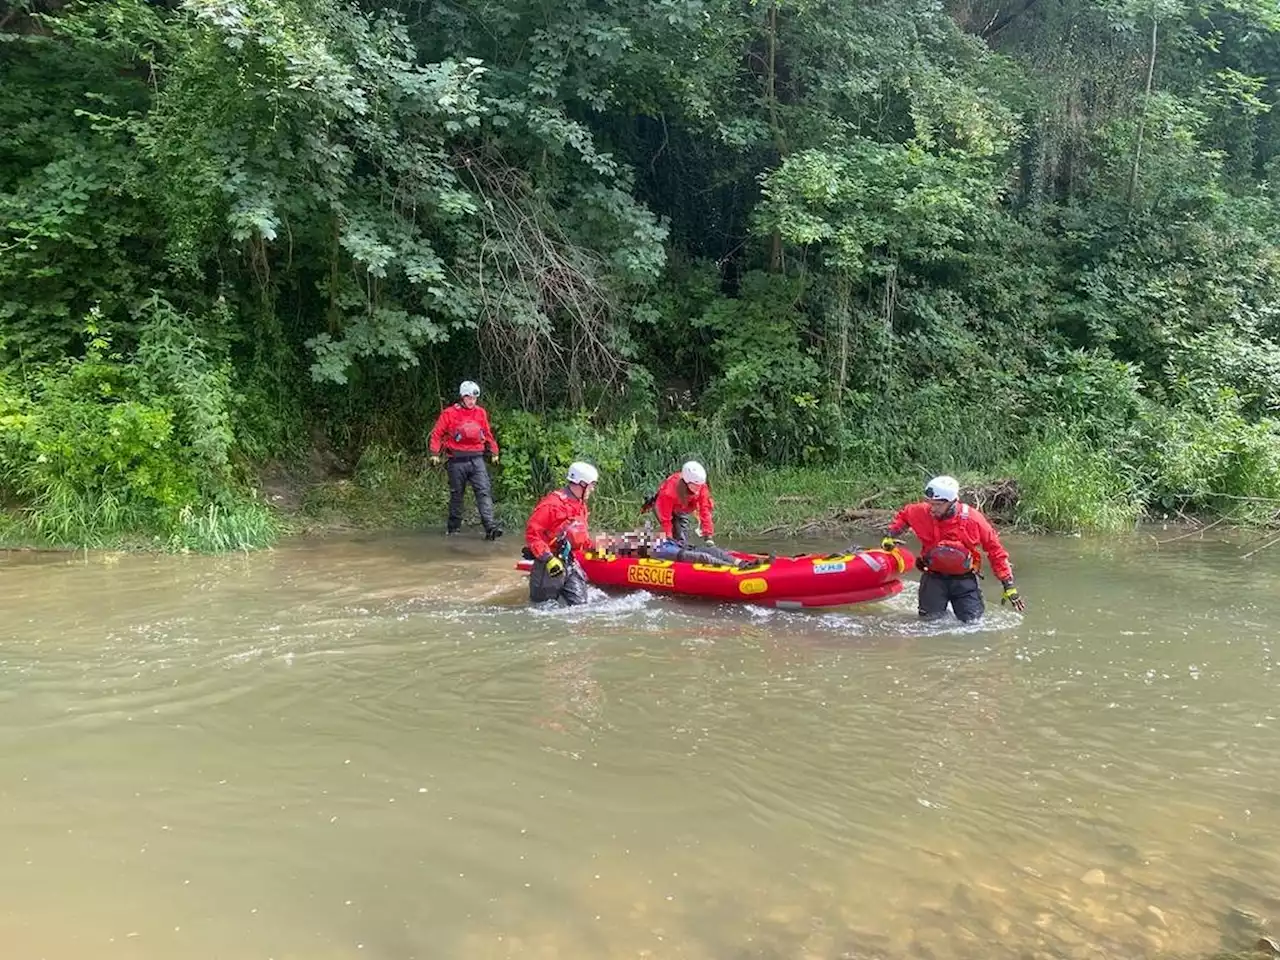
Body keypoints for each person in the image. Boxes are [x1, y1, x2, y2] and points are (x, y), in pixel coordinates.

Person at [882, 475, 1027, 623]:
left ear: (952, 502)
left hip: (964, 582)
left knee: (973, 625)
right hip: (933, 579)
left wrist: (1008, 586)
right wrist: (891, 535)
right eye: (930, 503)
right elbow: (904, 516)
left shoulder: (974, 520)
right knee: (928, 623)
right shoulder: (921, 512)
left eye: (937, 505)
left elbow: (995, 551)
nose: (932, 509)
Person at [429, 380, 502, 540]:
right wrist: (434, 453)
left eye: (474, 398)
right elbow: (437, 434)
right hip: (456, 461)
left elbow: (487, 433)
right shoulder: (449, 413)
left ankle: (490, 527)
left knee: (483, 492)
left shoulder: (480, 413)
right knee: (457, 495)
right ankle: (453, 529)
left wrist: (494, 451)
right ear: (462, 397)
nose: (472, 401)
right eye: (469, 398)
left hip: (477, 459)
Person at [525, 461, 598, 606]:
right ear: (582, 484)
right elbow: (533, 535)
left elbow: (579, 536)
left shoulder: (579, 504)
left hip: (569, 562)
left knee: (581, 607)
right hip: (548, 565)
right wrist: (548, 559)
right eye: (591, 485)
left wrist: (596, 548)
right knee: (542, 608)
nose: (592, 489)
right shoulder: (551, 505)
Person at [647, 461, 716, 546]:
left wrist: (708, 537)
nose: (698, 488)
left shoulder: (701, 487)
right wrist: (669, 537)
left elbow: (705, 511)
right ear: (686, 482)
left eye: (699, 485)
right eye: (695, 485)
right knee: (674, 536)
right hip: (663, 507)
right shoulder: (670, 491)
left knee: (682, 538)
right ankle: (653, 544)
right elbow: (665, 519)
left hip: (681, 508)